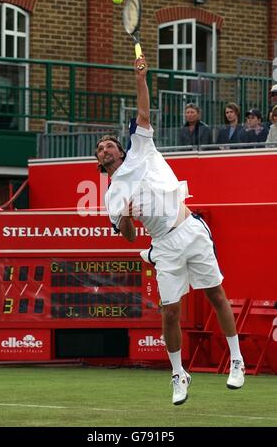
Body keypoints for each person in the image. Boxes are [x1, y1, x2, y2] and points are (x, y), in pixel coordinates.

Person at [95, 55, 245, 406]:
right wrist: (130, 218)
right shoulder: (112, 196)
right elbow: (128, 234)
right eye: (100, 148)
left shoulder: (141, 148)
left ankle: (236, 360)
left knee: (215, 295)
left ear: (120, 147)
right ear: (99, 161)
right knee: (170, 312)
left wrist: (140, 78)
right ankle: (178, 374)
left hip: (189, 229)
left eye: (109, 144)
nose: (105, 148)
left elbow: (143, 112)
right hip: (163, 245)